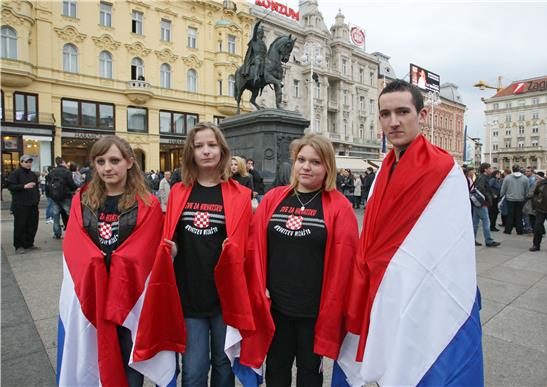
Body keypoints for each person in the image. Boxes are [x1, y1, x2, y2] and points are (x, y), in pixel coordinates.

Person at [335, 80, 483, 386]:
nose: (394, 121)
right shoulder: (384, 167)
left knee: (411, 358)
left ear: (422, 115)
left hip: (420, 285)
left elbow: (450, 244)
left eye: (403, 112)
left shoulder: (445, 169)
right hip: (380, 284)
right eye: (385, 114)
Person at [57, 135, 177, 386]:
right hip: (94, 295)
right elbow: (73, 245)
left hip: (129, 299)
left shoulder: (148, 203)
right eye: (100, 161)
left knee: (129, 363)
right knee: (95, 358)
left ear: (130, 162)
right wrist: (94, 264)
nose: (107, 168)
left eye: (114, 160)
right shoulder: (83, 199)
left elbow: (145, 249)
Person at [243, 133, 358, 387]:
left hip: (314, 312)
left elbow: (347, 262)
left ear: (327, 166)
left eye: (315, 162)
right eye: (301, 159)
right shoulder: (274, 199)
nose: (306, 167)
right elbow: (254, 247)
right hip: (276, 308)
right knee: (276, 370)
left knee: (309, 374)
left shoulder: (340, 207)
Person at [163, 122, 255, 387]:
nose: (206, 151)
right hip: (189, 292)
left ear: (222, 150)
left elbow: (249, 246)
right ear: (190, 152)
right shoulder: (179, 191)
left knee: (224, 365)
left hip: (225, 297)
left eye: (212, 145)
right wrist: (171, 250)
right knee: (193, 369)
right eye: (199, 146)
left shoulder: (240, 195)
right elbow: (173, 238)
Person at [7, 155, 40, 254]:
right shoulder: (15, 174)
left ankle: (29, 243)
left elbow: (36, 188)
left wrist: (37, 199)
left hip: (32, 204)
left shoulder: (33, 175)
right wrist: (23, 186)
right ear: (21, 162)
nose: (29, 164)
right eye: (26, 162)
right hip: (21, 204)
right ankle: (19, 245)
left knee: (32, 225)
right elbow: (10, 186)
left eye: (30, 162)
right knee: (20, 225)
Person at [46, 156, 77, 239]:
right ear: (63, 162)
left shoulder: (51, 172)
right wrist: (75, 188)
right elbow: (72, 184)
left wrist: (49, 195)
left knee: (56, 216)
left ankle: (57, 233)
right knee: (70, 215)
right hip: (66, 196)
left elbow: (48, 185)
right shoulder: (67, 172)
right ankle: (72, 232)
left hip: (55, 197)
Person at [472, 163, 500, 247]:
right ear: (485, 169)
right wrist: (488, 195)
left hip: (478, 203)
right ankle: (489, 241)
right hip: (482, 203)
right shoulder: (483, 178)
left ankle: (472, 239)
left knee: (475, 223)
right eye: (490, 168)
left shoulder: (481, 177)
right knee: (486, 222)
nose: (491, 170)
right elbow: (480, 189)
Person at [500, 164, 528, 235]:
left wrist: (501, 195)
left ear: (512, 169)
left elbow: (503, 188)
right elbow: (527, 190)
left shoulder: (507, 178)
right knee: (519, 215)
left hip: (510, 199)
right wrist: (525, 197)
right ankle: (520, 230)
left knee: (510, 215)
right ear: (519, 169)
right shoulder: (525, 178)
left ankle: (508, 230)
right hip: (521, 199)